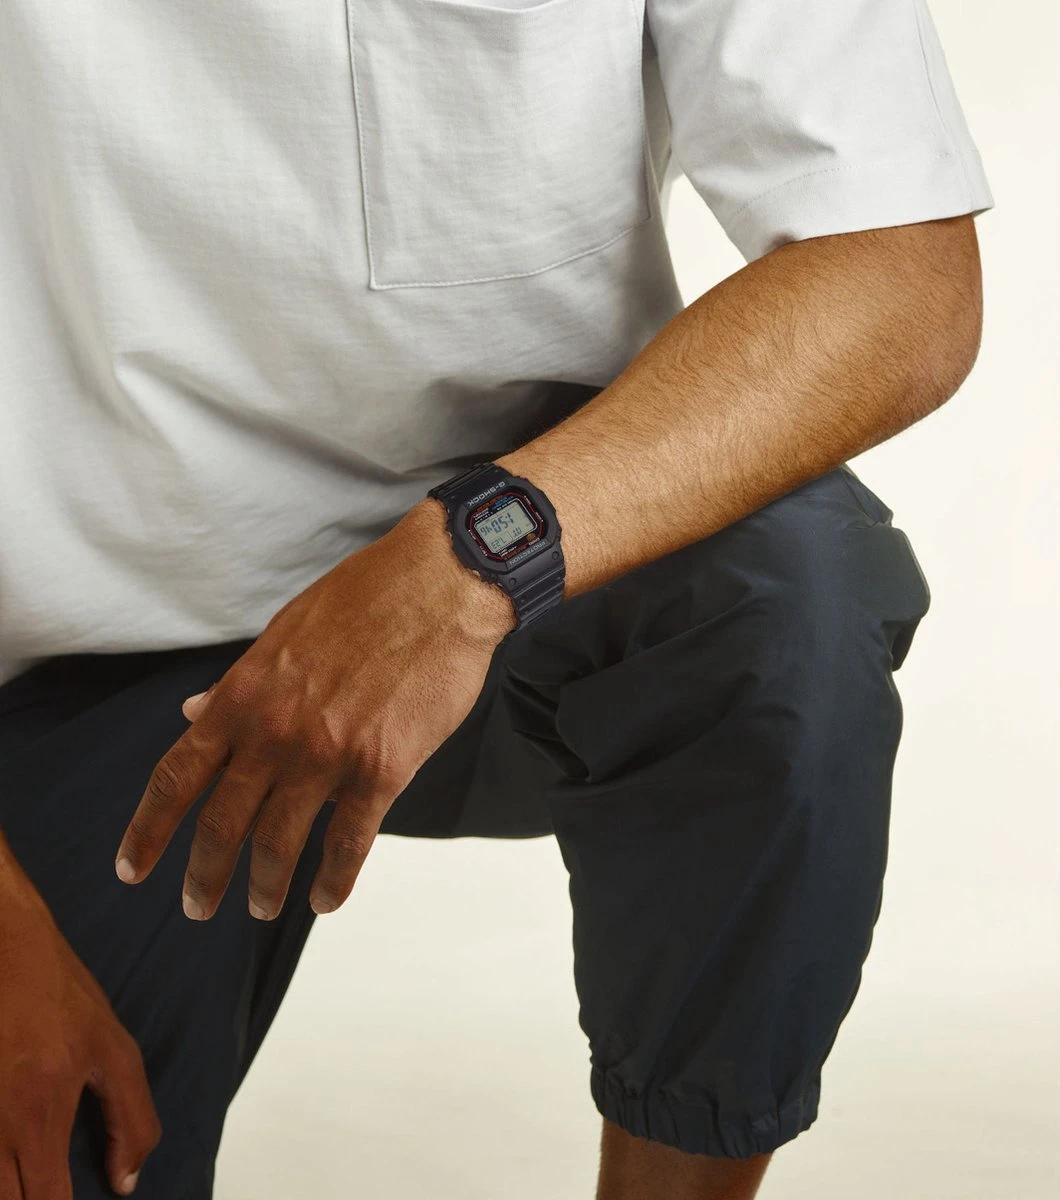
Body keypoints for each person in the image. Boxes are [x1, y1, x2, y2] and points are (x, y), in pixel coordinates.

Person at [0, 0, 992, 1196]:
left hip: (514, 575)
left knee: (786, 596)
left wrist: (471, 564)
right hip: (71, 648)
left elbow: (895, 266)